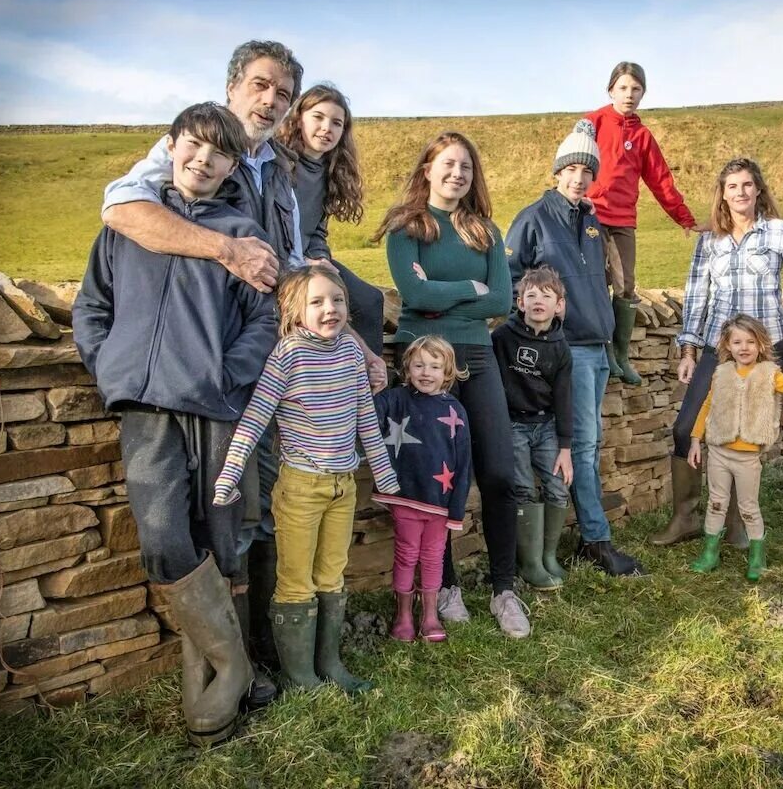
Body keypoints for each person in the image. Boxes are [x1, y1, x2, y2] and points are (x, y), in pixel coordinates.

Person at [73, 102, 278, 746]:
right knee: (162, 533)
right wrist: (109, 365)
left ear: (232, 165)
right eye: (193, 146)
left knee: (219, 532)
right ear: (171, 145)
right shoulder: (130, 227)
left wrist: (226, 374)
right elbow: (92, 305)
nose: (203, 161)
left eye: (220, 154)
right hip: (144, 403)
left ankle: (208, 683)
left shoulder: (243, 234)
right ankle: (235, 664)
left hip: (214, 406)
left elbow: (264, 322)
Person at [370, 131, 531, 638]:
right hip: (425, 360)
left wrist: (440, 299)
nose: (457, 173)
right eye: (447, 164)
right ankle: (445, 585)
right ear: (427, 169)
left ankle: (504, 588)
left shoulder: (485, 230)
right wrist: (470, 288)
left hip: (477, 358)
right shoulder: (406, 229)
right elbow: (411, 292)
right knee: (433, 474)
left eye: (465, 166)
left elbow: (501, 302)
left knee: (499, 472)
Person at [653, 157, 783, 550]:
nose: (740, 193)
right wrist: (688, 348)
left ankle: (737, 522)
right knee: (686, 427)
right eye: (732, 187)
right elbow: (697, 296)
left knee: (743, 433)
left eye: (747, 185)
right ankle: (685, 517)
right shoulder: (709, 240)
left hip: (765, 349)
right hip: (720, 345)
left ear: (758, 190)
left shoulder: (778, 232)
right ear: (723, 194)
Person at [213, 265, 400, 693]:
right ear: (295, 312)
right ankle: (300, 677)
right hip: (300, 486)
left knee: (331, 574)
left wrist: (385, 472)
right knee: (296, 578)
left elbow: (365, 419)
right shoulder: (287, 356)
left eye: (336, 300)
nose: (329, 309)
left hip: (342, 485)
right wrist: (230, 474)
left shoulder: (352, 354)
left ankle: (330, 664)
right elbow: (255, 418)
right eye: (316, 302)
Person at [505, 121, 645, 577]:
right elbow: (511, 280)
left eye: (588, 170)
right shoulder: (533, 218)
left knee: (592, 442)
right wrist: (537, 332)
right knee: (582, 446)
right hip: (570, 349)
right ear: (558, 170)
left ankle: (584, 535)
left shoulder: (591, 220)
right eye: (573, 168)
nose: (580, 177)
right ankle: (596, 540)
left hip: (598, 345)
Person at [687, 315, 783, 579]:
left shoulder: (770, 374)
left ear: (761, 345)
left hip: (747, 459)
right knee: (716, 503)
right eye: (737, 342)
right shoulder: (721, 373)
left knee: (748, 506)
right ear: (727, 344)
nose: (744, 347)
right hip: (719, 453)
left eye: (750, 341)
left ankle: (757, 556)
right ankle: (710, 553)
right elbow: (707, 405)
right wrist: (694, 440)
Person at [584, 61, 702, 386]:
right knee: (594, 282)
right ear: (611, 90)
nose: (629, 94)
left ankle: (621, 355)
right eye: (623, 88)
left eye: (636, 89)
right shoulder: (592, 122)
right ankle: (605, 353)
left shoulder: (642, 136)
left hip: (623, 220)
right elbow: (570, 162)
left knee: (624, 286)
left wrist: (684, 217)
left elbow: (661, 180)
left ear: (643, 93)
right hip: (589, 217)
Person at [372, 336, 473, 644]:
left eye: (434, 366)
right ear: (407, 368)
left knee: (433, 558)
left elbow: (464, 462)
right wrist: (377, 388)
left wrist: (456, 509)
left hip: (439, 502)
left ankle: (429, 614)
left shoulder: (455, 410)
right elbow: (369, 417)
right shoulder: (395, 399)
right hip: (405, 495)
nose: (426, 372)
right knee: (406, 554)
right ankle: (403, 613)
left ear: (448, 372)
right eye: (419, 365)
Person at [277, 83, 386, 353]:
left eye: (336, 123)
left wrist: (321, 258)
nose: (327, 128)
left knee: (369, 300)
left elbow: (316, 231)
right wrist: (303, 261)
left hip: (308, 259)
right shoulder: (278, 162)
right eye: (318, 117)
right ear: (298, 118)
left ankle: (365, 377)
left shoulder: (330, 172)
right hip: (279, 258)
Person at [492, 267, 574, 591]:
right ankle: (530, 564)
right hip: (512, 424)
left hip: (546, 425)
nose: (538, 300)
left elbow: (565, 399)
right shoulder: (502, 338)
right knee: (524, 488)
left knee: (556, 486)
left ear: (559, 305)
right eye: (531, 295)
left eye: (547, 295)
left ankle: (548, 557)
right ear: (520, 303)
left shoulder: (560, 347)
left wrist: (565, 448)